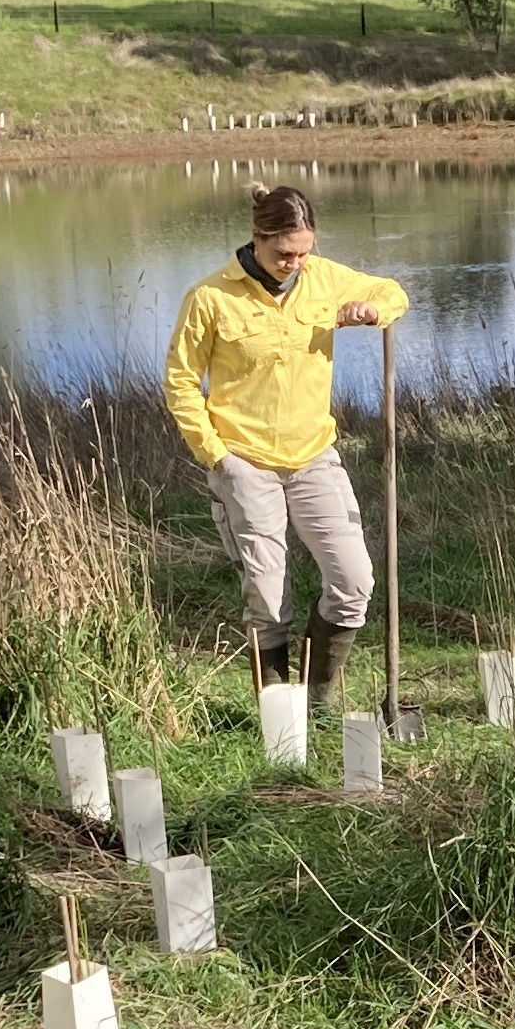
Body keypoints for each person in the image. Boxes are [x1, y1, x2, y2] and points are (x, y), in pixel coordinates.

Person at [162, 184, 407, 709]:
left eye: (303, 251)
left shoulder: (321, 279)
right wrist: (216, 456)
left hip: (315, 456)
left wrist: (370, 309)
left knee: (354, 581)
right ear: (257, 239)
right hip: (244, 462)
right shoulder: (210, 298)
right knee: (269, 601)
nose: (293, 263)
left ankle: (319, 703)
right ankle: (279, 723)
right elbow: (181, 381)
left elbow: (394, 292)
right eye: (283, 253)